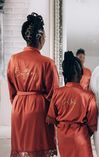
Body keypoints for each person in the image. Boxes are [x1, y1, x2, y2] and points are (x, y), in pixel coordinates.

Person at [7, 12, 59, 157]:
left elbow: (12, 91)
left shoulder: (13, 59)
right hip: (39, 109)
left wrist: (19, 102)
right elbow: (54, 93)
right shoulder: (47, 62)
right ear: (41, 37)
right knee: (41, 148)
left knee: (21, 148)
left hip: (18, 107)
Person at [46, 51, 97, 157]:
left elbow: (52, 118)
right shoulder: (88, 96)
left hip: (62, 137)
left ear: (64, 74)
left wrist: (63, 127)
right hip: (81, 136)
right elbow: (92, 124)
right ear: (81, 74)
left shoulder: (57, 93)